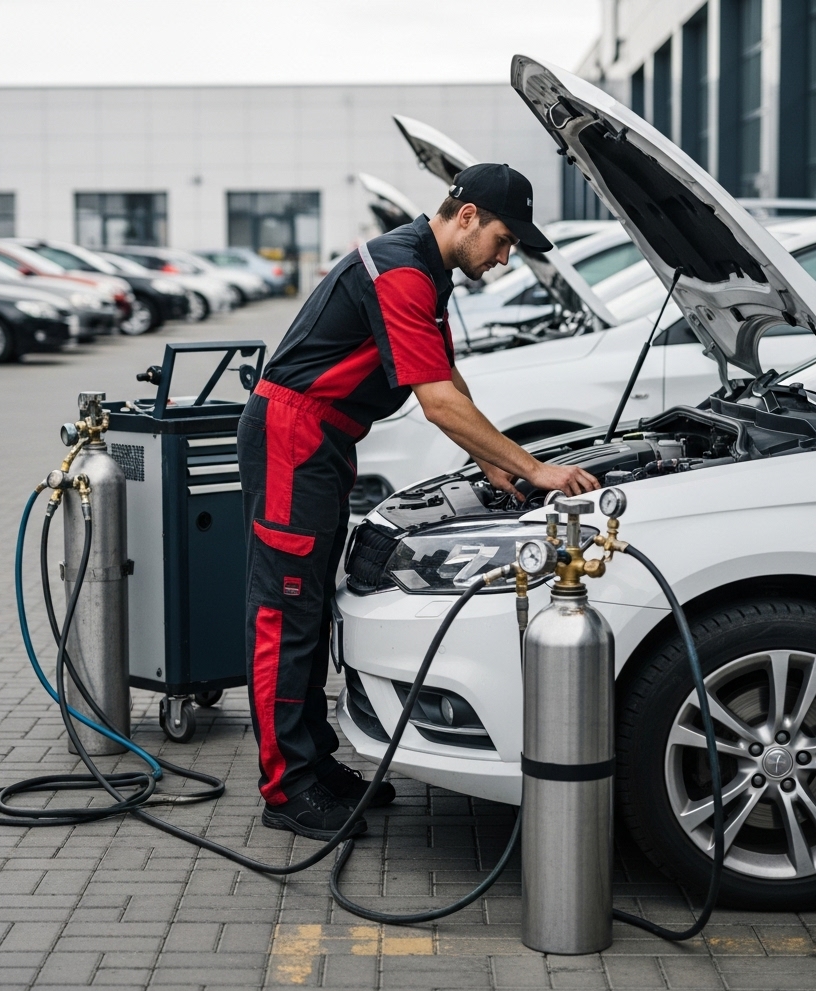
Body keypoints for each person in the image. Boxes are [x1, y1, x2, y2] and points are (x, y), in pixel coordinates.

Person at [237, 163, 598, 840]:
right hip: (293, 438)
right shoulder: (403, 270)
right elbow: (435, 405)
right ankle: (287, 788)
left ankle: (313, 762)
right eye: (503, 238)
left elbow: (447, 379)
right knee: (285, 611)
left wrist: (498, 467)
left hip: (320, 439)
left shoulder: (426, 269)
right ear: (466, 217)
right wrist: (535, 469)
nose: (505, 255)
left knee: (309, 605)